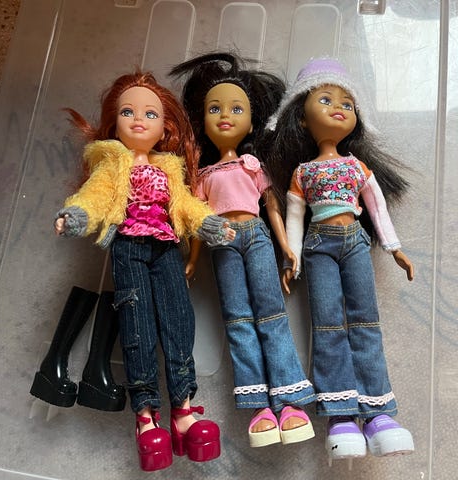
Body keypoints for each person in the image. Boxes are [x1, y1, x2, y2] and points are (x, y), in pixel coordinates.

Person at [54, 69, 235, 471]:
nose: (139, 119)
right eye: (128, 112)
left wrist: (207, 223)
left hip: (166, 248)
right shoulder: (112, 162)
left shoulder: (168, 166)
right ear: (114, 121)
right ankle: (146, 414)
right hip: (129, 249)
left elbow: (184, 204)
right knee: (137, 325)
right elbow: (95, 196)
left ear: (165, 125)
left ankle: (183, 410)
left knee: (179, 319)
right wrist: (77, 215)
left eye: (150, 114)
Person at [263, 57, 415, 461]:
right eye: (326, 100)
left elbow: (377, 208)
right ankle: (341, 414)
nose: (338, 108)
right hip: (318, 248)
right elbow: (294, 217)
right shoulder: (302, 172)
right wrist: (291, 258)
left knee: (366, 322)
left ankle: (378, 412)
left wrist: (394, 247)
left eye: (347, 103)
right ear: (301, 119)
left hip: (354, 244)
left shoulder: (357, 167)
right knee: (328, 325)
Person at [170, 52, 315, 448]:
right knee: (237, 319)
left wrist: (287, 247)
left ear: (251, 123)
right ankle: (258, 406)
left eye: (236, 109)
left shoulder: (252, 164)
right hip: (221, 242)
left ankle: (289, 400)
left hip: (256, 236)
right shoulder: (203, 175)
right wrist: (193, 257)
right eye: (215, 109)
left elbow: (272, 206)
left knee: (271, 314)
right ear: (203, 123)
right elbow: (199, 222)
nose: (225, 116)